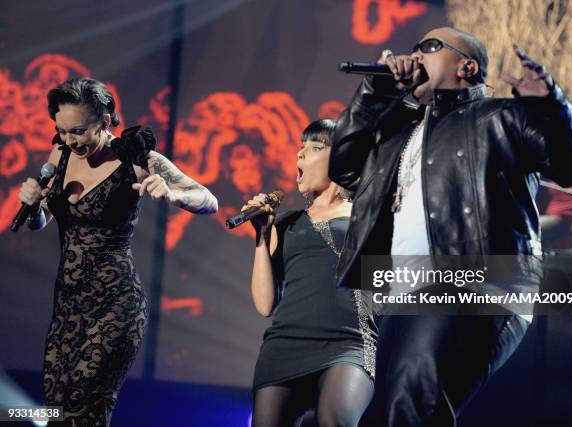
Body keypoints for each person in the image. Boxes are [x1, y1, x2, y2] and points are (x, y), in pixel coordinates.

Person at [329, 27, 572, 426]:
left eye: (430, 47)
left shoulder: (500, 116)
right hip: (406, 290)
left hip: (479, 281)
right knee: (387, 413)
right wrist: (376, 91)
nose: (416, 54)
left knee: (412, 396)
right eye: (414, 48)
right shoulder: (398, 131)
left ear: (466, 66)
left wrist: (552, 104)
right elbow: (345, 167)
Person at [17, 78, 218, 426]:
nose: (69, 140)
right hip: (68, 307)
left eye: (78, 131)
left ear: (105, 121)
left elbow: (208, 200)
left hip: (116, 305)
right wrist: (34, 205)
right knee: (57, 409)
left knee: (83, 405)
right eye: (62, 131)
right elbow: (40, 222)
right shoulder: (60, 154)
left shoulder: (137, 158)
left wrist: (173, 194)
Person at [245, 119, 377, 427]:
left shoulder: (366, 215)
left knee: (334, 420)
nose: (300, 155)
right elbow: (265, 305)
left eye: (315, 147)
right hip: (285, 345)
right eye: (300, 148)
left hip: (349, 343)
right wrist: (261, 236)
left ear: (343, 157)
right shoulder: (285, 224)